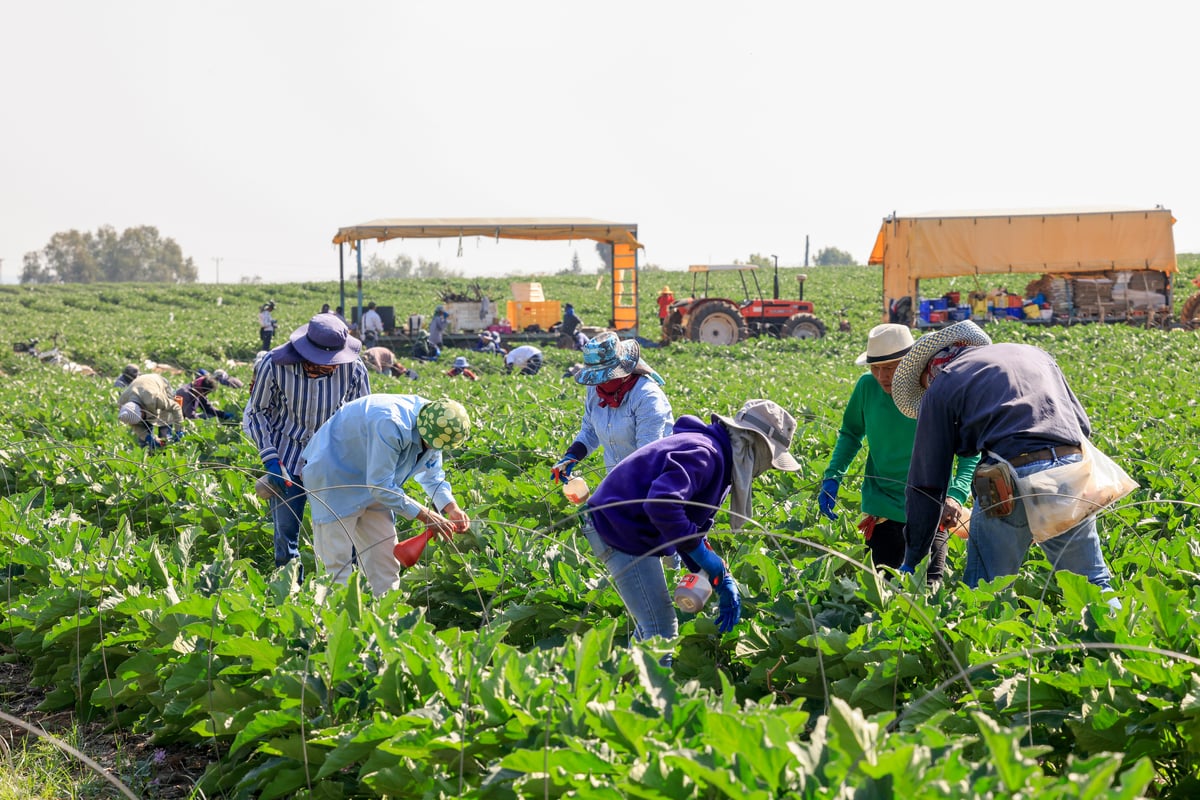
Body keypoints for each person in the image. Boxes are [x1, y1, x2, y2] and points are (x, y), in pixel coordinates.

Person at [890, 320, 1116, 591]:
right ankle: (1113, 633)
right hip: (1069, 473)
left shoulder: (943, 382)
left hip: (1009, 480)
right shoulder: (1035, 354)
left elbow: (927, 482)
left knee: (986, 591)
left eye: (925, 386)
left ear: (931, 369)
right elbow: (1082, 425)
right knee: (1092, 583)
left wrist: (914, 555)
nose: (927, 391)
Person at [582, 399, 801, 654]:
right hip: (618, 529)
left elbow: (688, 523)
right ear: (754, 446)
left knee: (650, 623)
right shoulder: (705, 454)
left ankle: (621, 683)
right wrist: (702, 555)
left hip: (626, 529)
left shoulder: (719, 456)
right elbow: (662, 505)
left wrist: (718, 575)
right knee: (661, 628)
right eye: (769, 461)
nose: (764, 470)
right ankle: (646, 691)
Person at [817, 324, 978, 580]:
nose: (881, 376)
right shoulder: (866, 388)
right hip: (882, 512)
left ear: (911, 364)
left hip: (934, 510)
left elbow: (970, 452)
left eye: (890, 368)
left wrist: (956, 495)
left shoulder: (935, 391)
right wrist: (833, 475)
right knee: (884, 593)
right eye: (875, 368)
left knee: (927, 591)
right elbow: (850, 433)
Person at [300, 396, 472, 596]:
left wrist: (451, 508)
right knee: (336, 565)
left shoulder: (437, 430)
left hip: (376, 485)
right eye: (430, 443)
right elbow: (380, 486)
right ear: (423, 427)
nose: (432, 448)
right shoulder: (391, 424)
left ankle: (384, 620)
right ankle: (334, 622)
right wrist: (426, 515)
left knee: (385, 563)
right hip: (335, 478)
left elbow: (432, 475)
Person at [242, 313, 372, 570]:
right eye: (322, 364)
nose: (330, 368)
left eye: (334, 364)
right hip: (286, 457)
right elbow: (257, 412)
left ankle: (347, 592)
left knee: (345, 534)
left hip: (333, 461)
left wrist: (360, 463)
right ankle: (290, 594)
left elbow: (364, 419)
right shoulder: (275, 365)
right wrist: (270, 459)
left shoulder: (354, 369)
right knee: (286, 537)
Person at [551, 331, 674, 481]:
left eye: (605, 377)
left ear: (624, 370)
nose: (600, 383)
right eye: (597, 378)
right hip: (617, 480)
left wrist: (614, 494)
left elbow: (647, 455)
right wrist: (572, 455)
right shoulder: (595, 391)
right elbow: (589, 430)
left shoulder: (647, 397)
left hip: (653, 480)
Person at [118, 373, 186, 449]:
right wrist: (148, 438)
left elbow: (175, 407)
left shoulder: (154, 398)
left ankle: (166, 448)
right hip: (141, 386)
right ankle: (150, 452)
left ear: (142, 409)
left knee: (165, 427)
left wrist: (179, 430)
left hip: (159, 383)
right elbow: (135, 425)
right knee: (145, 440)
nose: (142, 420)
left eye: (142, 417)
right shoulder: (124, 405)